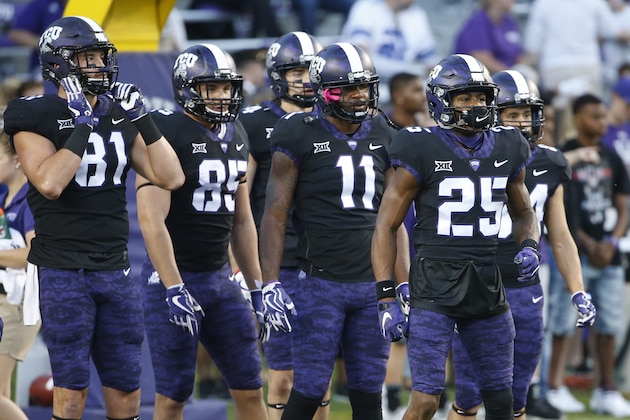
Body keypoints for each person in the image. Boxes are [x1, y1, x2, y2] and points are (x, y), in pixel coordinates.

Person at [3, 15, 185, 420]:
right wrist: (82, 126)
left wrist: (143, 118)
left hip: (115, 268)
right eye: (88, 58)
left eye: (102, 58)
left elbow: (171, 177)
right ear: (60, 64)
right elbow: (50, 182)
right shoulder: (32, 113)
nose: (100, 67)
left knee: (127, 396)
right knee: (71, 396)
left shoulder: (117, 114)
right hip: (64, 270)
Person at [372, 53, 542, 420]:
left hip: (486, 283)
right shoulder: (419, 145)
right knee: (426, 400)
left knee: (503, 401)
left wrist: (529, 244)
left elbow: (525, 211)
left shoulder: (508, 144)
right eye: (464, 97)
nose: (475, 105)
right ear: (441, 101)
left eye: (480, 97)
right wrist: (386, 294)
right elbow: (386, 225)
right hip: (434, 285)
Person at [258, 41, 407, 420]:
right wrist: (270, 282)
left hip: (371, 285)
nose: (359, 96)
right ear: (325, 91)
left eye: (364, 86)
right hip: (319, 283)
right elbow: (274, 215)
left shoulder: (384, 133)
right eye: (349, 88)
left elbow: (393, 221)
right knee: (307, 392)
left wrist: (401, 284)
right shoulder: (297, 132)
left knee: (368, 397)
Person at [447, 69, 595, 420]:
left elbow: (559, 234)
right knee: (468, 398)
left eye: (528, 113)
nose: (523, 122)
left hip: (525, 287)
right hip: (475, 283)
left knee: (517, 399)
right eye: (513, 114)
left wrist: (577, 289)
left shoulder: (551, 161)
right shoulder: (466, 154)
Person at [136, 43, 268, 420]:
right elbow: (150, 219)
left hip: (220, 280)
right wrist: (173, 286)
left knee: (250, 387)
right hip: (173, 280)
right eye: (211, 88)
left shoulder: (237, 131)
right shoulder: (166, 130)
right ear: (186, 88)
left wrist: (256, 285)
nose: (222, 96)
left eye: (226, 88)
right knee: (173, 396)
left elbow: (241, 219)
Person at [238, 31, 328, 420]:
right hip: (280, 262)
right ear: (278, 75)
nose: (306, 79)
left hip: (327, 261)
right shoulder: (256, 122)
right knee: (282, 378)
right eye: (297, 70)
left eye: (312, 70)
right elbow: (237, 199)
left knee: (319, 379)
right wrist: (241, 266)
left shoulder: (337, 123)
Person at [545, 93, 630, 417]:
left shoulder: (610, 156)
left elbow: (623, 204)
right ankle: (554, 385)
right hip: (573, 253)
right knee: (563, 321)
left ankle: (605, 389)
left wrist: (612, 241)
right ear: (578, 118)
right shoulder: (564, 154)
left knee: (609, 322)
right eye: (595, 116)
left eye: (604, 116)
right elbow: (557, 208)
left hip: (608, 253)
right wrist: (586, 243)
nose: (603, 122)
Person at [0, 130, 38, 420]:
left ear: (16, 160)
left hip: (19, 303)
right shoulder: (4, 195)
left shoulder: (29, 201)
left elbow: (32, 254)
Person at [340, 0, 438, 105]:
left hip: (402, 85)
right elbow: (360, 60)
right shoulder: (366, 7)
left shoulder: (418, 14)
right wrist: (414, 70)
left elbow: (430, 61)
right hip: (368, 83)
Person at [453, 0, 526, 74]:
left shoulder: (509, 22)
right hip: (477, 78)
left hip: (505, 73)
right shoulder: (478, 23)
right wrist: (510, 75)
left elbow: (518, 55)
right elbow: (482, 59)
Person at [8, 0, 66, 76]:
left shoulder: (84, 4)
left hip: (79, 63)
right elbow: (17, 33)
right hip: (44, 68)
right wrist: (46, 45)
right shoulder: (43, 3)